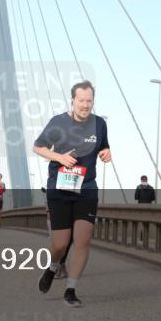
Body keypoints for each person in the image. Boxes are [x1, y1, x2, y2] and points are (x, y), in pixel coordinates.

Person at [33, 80, 110, 307]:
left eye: (89, 101)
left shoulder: (99, 124)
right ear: (73, 100)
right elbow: (37, 146)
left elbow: (104, 146)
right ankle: (53, 266)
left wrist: (106, 153)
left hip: (87, 188)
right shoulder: (58, 122)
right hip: (60, 188)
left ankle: (71, 289)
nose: (85, 105)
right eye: (81, 100)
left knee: (83, 240)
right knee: (60, 244)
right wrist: (59, 157)